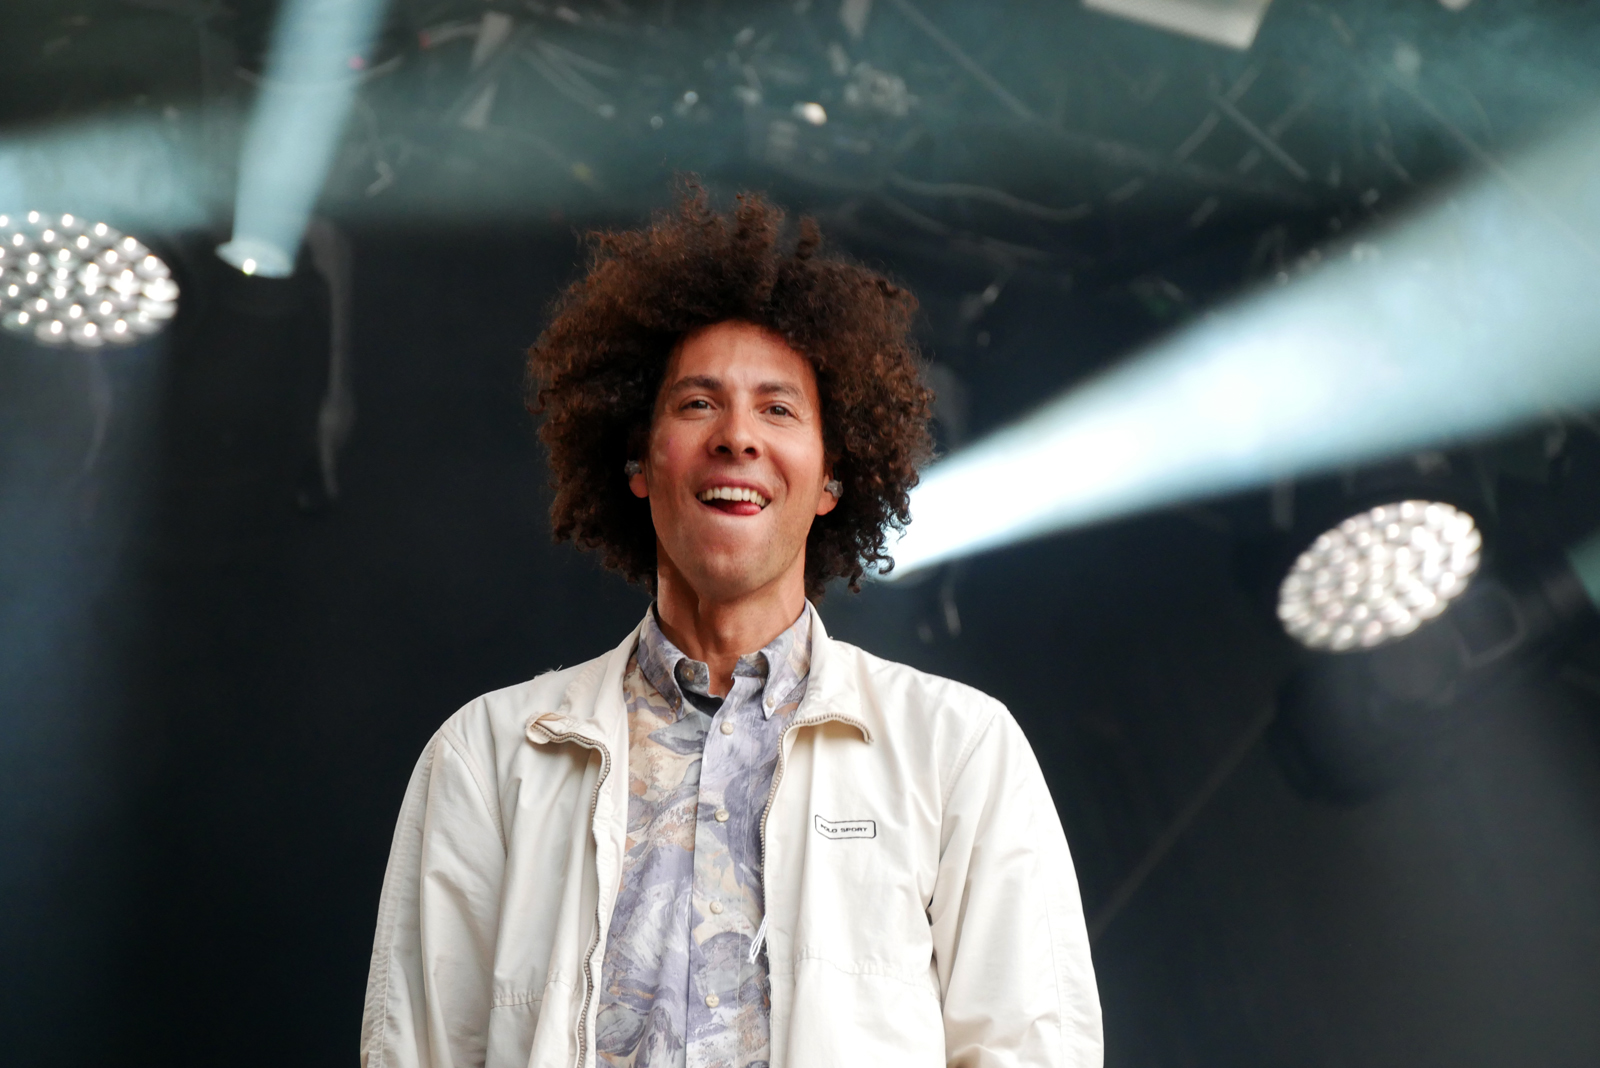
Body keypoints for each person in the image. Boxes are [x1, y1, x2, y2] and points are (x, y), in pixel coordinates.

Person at [359, 186, 1102, 1068]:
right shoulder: (487, 756)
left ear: (832, 479)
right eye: (698, 403)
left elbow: (1031, 1049)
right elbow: (417, 1050)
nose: (738, 436)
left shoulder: (957, 750)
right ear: (638, 463)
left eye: (778, 409)